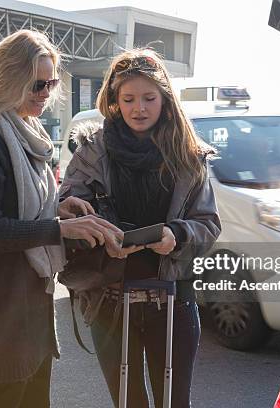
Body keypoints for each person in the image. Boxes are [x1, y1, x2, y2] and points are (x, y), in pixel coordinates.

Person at [0, 30, 124, 408]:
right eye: (37, 84)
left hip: (30, 307)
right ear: (9, 79)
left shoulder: (29, 132)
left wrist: (57, 209)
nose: (46, 92)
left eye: (52, 83)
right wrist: (60, 228)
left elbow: (19, 208)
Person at [60, 49, 221, 408]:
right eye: (129, 99)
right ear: (114, 101)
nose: (139, 108)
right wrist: (100, 237)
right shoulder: (91, 152)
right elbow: (68, 214)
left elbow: (208, 225)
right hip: (110, 300)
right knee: (128, 402)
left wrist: (176, 235)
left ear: (165, 99)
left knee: (174, 402)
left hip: (174, 299)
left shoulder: (189, 154)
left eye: (149, 98)